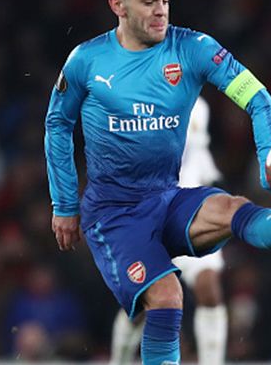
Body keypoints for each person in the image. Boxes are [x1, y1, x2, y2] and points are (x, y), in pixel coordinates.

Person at [44, 0, 271, 365]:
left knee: (232, 209)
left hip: (166, 197)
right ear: (117, 6)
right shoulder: (86, 61)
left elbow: (259, 99)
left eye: (165, 0)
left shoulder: (194, 48)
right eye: (148, 2)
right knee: (167, 296)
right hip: (113, 214)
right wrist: (64, 204)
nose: (161, 10)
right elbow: (58, 125)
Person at [110, 98, 228, 365]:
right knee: (142, 303)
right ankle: (119, 360)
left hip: (192, 216)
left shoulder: (200, 106)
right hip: (148, 218)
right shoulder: (137, 102)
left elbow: (200, 161)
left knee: (208, 285)